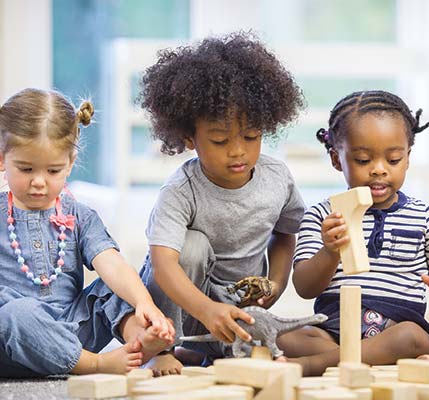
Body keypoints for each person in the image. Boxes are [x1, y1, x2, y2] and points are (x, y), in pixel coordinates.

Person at [136, 32, 306, 374]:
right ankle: (164, 347)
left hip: (238, 308)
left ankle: (208, 352)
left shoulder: (277, 178)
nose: (238, 150)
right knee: (192, 246)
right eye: (219, 139)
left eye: (251, 136)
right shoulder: (180, 190)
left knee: (299, 343)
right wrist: (205, 310)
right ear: (188, 137)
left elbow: (287, 234)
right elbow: (164, 264)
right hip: (187, 307)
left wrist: (275, 282)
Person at [277, 90, 429, 376]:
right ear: (336, 159)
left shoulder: (426, 217)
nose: (379, 170)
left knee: (414, 338)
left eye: (393, 160)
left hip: (395, 330)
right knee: (283, 335)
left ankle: (313, 366)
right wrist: (330, 251)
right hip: (333, 329)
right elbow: (306, 288)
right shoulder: (321, 216)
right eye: (364, 160)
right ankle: (367, 360)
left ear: (407, 158)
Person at [0, 88, 174, 378]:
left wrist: (144, 302)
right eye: (26, 168)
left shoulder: (80, 215)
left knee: (116, 286)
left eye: (53, 171)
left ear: (70, 162)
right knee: (16, 312)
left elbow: (111, 263)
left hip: (73, 329)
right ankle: (96, 365)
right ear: (2, 159)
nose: (39, 182)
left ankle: (141, 344)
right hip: (12, 339)